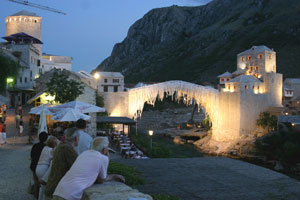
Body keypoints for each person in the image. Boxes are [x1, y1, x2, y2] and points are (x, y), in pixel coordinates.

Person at [53, 137, 125, 200]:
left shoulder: (84, 153)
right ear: (105, 150)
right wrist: (113, 176)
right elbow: (101, 179)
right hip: (71, 195)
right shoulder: (102, 158)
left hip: (59, 190)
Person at [44, 127, 79, 200]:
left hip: (53, 186)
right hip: (58, 190)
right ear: (76, 138)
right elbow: (77, 168)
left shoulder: (61, 146)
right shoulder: (67, 149)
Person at [30, 132, 48, 198]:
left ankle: (36, 196)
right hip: (42, 167)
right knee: (42, 183)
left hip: (34, 166)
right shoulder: (46, 147)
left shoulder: (35, 146)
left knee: (36, 182)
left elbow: (31, 156)